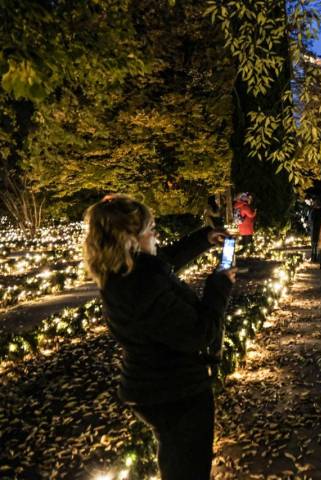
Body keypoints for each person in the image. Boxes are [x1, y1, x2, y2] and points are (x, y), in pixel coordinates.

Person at [83, 194, 237, 480]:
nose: (156, 233)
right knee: (186, 469)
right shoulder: (140, 286)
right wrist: (219, 287)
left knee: (177, 460)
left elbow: (164, 262)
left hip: (157, 386)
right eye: (149, 228)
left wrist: (204, 238)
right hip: (174, 391)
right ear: (128, 238)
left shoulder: (127, 272)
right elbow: (198, 334)